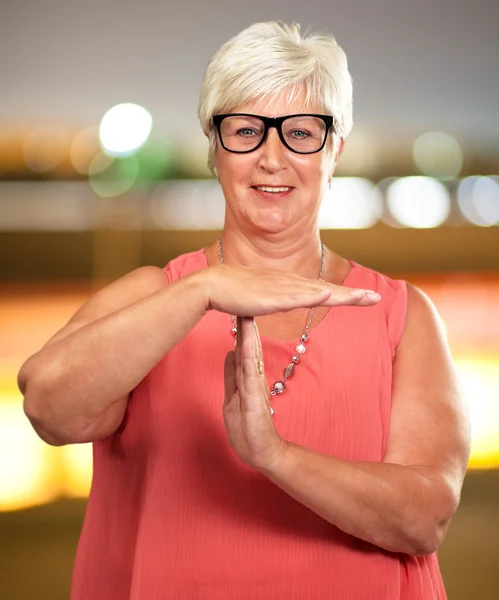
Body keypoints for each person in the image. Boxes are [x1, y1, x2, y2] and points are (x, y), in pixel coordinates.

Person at [18, 21, 470, 600]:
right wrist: (200, 292)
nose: (272, 158)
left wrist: (275, 456)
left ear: (335, 150)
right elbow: (49, 408)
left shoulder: (400, 316)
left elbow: (424, 517)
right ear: (215, 149)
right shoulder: (155, 295)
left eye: (302, 133)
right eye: (247, 131)